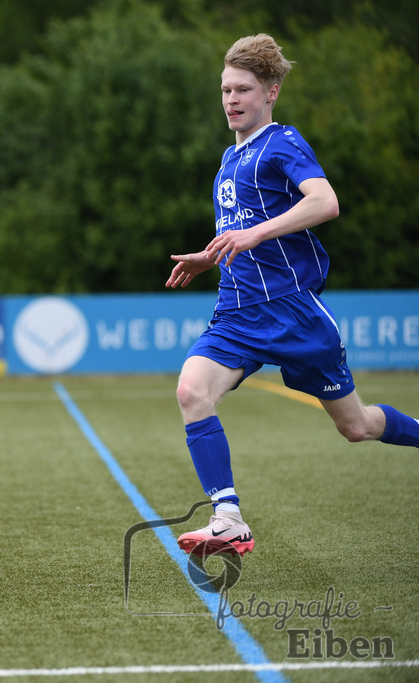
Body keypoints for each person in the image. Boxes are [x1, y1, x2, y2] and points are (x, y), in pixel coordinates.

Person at [165, 33, 419, 557]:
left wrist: (255, 234)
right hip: (237, 313)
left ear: (271, 92)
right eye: (225, 90)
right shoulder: (228, 158)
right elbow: (242, 230)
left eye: (243, 90)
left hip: (293, 314)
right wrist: (210, 256)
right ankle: (228, 517)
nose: (232, 100)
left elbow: (325, 203)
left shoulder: (281, 142)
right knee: (192, 391)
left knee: (357, 426)